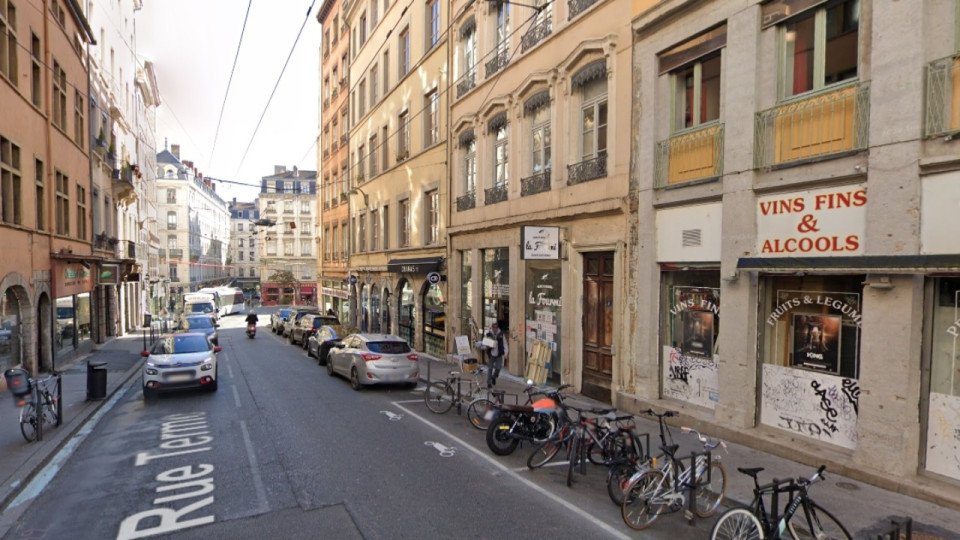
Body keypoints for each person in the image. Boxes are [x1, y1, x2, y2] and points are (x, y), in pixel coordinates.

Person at [483, 321, 508, 388]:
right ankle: (489, 382)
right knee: (490, 368)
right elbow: (484, 343)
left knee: (498, 368)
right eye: (494, 327)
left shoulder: (501, 334)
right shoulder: (488, 334)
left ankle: (494, 377)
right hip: (491, 354)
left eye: (496, 327)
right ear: (492, 328)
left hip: (499, 354)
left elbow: (505, 343)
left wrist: (506, 353)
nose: (495, 329)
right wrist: (487, 346)